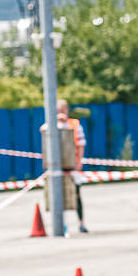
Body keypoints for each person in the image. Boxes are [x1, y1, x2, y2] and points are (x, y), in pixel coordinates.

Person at [57, 100, 88, 233]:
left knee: (76, 194)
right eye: (59, 110)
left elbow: (81, 144)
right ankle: (62, 225)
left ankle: (81, 223)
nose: (62, 113)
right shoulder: (52, 125)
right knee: (59, 196)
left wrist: (79, 161)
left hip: (72, 164)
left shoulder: (74, 124)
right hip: (58, 166)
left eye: (64, 110)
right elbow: (43, 130)